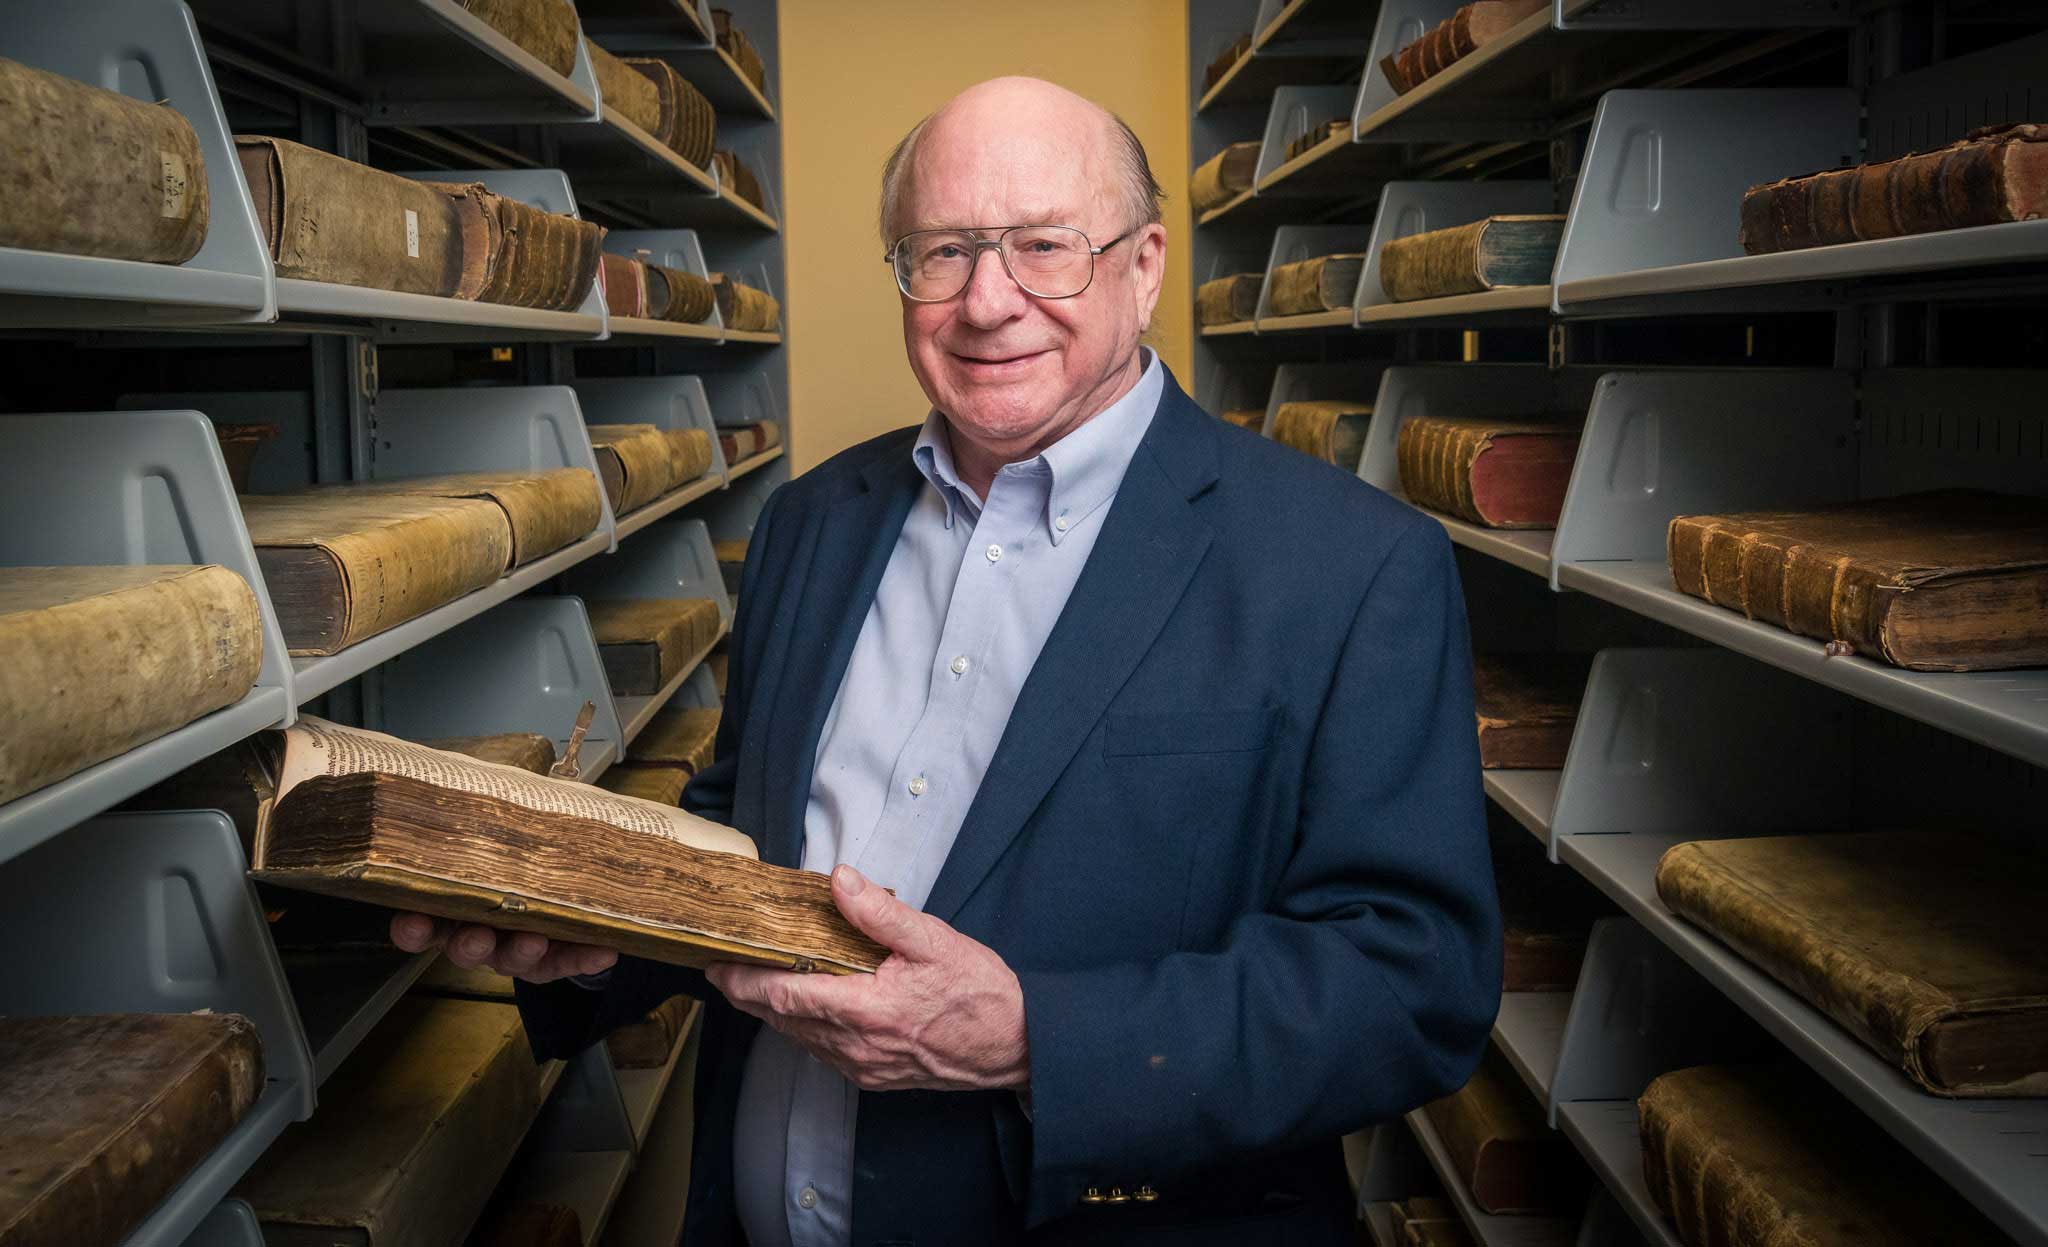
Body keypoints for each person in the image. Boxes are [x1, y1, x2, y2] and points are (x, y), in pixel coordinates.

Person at [392, 75, 1499, 1246]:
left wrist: (1033, 1036)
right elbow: (750, 829)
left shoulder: (1350, 564)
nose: (987, 301)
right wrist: (606, 935)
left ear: (1144, 265)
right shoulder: (812, 520)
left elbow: (1409, 983)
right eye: (943, 251)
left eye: (1043, 247)